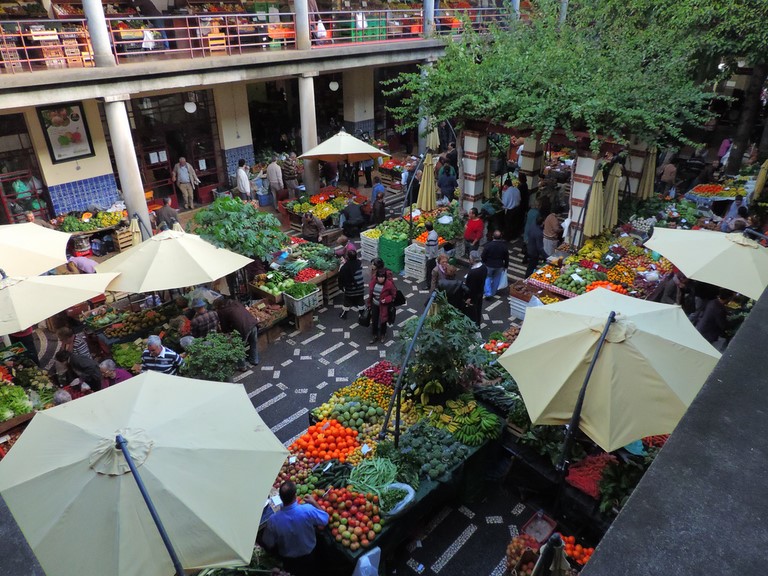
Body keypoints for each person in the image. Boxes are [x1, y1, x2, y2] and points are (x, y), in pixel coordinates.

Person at [262, 481, 329, 576]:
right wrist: (314, 502)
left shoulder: (273, 521)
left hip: (289, 561)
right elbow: (325, 519)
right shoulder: (307, 510)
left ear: (280, 498)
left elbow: (268, 543)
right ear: (295, 495)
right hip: (309, 555)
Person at [213, 297, 259, 368]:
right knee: (253, 343)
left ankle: (242, 366)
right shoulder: (235, 303)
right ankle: (254, 360)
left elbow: (224, 327)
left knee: (239, 348)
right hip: (253, 324)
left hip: (243, 329)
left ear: (218, 306)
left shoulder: (222, 311)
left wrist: (226, 333)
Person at [367, 268, 397, 344]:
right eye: (379, 277)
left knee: (383, 320)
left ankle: (383, 334)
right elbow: (371, 295)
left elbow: (393, 295)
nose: (381, 279)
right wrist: (369, 304)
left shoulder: (389, 284)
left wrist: (386, 299)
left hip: (384, 306)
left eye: (382, 277)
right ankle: (375, 335)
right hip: (375, 304)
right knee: (374, 320)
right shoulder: (373, 282)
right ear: (376, 277)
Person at [338, 249, 365, 319]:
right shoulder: (359, 263)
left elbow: (341, 278)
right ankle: (362, 314)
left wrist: (341, 287)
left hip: (350, 288)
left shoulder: (344, 267)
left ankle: (344, 315)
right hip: (360, 287)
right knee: (360, 300)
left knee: (347, 301)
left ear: (348, 257)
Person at [481, 230, 509, 298]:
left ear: (493, 236)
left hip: (489, 265)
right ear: (501, 237)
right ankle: (493, 293)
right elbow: (506, 257)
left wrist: (484, 262)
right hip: (499, 265)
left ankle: (488, 293)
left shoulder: (488, 245)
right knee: (496, 279)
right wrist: (506, 266)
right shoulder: (504, 246)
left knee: (487, 278)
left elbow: (483, 256)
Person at [464, 250, 487, 326]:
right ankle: (477, 324)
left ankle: (473, 326)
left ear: (473, 260)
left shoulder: (473, 272)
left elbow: (471, 287)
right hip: (479, 293)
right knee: (478, 309)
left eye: (470, 258)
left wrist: (469, 298)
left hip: (473, 296)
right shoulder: (484, 267)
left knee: (472, 311)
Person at [424, 221, 440, 291]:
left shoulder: (431, 237)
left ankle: (428, 285)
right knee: (433, 270)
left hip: (431, 257)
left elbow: (432, 249)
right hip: (433, 256)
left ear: (426, 228)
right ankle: (433, 283)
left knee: (429, 271)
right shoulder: (434, 233)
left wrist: (430, 258)